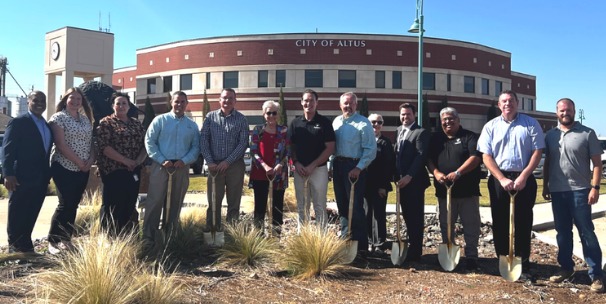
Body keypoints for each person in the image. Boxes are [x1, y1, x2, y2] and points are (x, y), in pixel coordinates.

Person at [477, 90, 544, 281]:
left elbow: (537, 152)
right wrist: (501, 178)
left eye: (511, 100)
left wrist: (523, 176)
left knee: (523, 221)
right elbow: (486, 156)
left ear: (517, 103)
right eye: (504, 101)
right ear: (499, 105)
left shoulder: (531, 124)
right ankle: (504, 259)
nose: (508, 104)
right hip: (499, 180)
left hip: (524, 178)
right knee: (500, 220)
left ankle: (523, 262)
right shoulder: (490, 126)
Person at [543, 98, 604, 292]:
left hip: (580, 191)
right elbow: (547, 163)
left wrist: (595, 187)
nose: (565, 113)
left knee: (586, 233)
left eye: (568, 110)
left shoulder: (587, 133)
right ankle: (566, 268)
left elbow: (597, 164)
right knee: (562, 233)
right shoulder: (550, 136)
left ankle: (596, 275)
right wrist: (545, 185)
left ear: (574, 111)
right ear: (556, 113)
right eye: (561, 110)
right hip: (558, 192)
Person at [427, 107, 482, 270]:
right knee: (446, 224)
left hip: (467, 192)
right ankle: (448, 251)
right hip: (444, 191)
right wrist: (436, 172)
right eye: (444, 119)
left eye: (451, 118)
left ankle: (472, 256)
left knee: (471, 225)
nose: (447, 122)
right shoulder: (436, 139)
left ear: (458, 120)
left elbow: (475, 158)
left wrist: (458, 173)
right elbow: (429, 159)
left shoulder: (470, 137)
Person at [144, 91, 200, 249]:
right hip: (161, 166)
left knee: (175, 202)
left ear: (186, 103)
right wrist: (162, 160)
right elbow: (150, 142)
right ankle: (149, 237)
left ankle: (170, 235)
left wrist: (185, 160)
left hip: (181, 168)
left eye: (183, 102)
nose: (179, 105)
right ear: (171, 102)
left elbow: (196, 147)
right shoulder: (160, 120)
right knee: (155, 201)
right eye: (176, 101)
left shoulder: (192, 125)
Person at [2, 91, 52, 253]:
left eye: (42, 101)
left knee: (32, 211)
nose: (40, 103)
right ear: (28, 102)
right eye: (35, 100)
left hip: (40, 178)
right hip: (19, 177)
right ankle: (15, 247)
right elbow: (7, 149)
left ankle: (26, 245)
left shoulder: (46, 125)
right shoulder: (18, 122)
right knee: (17, 212)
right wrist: (7, 173)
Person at [47, 87, 95, 254]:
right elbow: (60, 144)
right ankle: (53, 240)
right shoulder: (58, 118)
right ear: (65, 99)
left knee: (73, 204)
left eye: (78, 99)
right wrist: (79, 162)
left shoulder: (85, 120)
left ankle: (66, 238)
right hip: (64, 166)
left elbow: (91, 143)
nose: (75, 102)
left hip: (83, 168)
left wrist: (90, 161)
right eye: (72, 98)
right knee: (64, 203)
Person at [96, 92, 147, 236]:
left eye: (124, 103)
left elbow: (145, 144)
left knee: (129, 203)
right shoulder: (106, 123)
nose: (121, 106)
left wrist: (137, 161)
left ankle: (127, 236)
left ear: (129, 105)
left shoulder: (136, 123)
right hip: (113, 171)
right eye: (118, 103)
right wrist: (126, 161)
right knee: (112, 205)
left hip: (133, 171)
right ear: (113, 106)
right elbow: (104, 147)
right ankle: (109, 236)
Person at [332, 92, 376, 256]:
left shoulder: (363, 124)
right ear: (340, 105)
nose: (348, 106)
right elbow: (333, 147)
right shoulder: (336, 122)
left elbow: (371, 150)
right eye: (345, 103)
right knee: (342, 206)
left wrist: (358, 168)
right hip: (338, 166)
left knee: (355, 207)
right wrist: (331, 165)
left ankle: (361, 247)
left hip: (354, 167)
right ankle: (346, 242)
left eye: (351, 103)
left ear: (356, 105)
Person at [200, 88, 249, 228]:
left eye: (230, 98)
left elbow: (243, 143)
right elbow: (204, 140)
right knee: (214, 201)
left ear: (235, 101)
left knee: (234, 202)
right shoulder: (210, 117)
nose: (227, 101)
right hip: (214, 165)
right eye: (224, 98)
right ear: (219, 100)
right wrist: (209, 161)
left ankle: (231, 233)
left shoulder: (241, 119)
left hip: (234, 165)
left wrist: (228, 161)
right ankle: (212, 231)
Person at [288, 89, 335, 231]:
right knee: (302, 206)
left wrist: (313, 165)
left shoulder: (325, 123)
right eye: (306, 100)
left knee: (319, 205)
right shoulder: (295, 123)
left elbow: (330, 147)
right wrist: (296, 163)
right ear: (302, 102)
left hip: (319, 170)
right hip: (300, 171)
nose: (308, 103)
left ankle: (321, 239)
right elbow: (290, 146)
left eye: (312, 100)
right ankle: (302, 238)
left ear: (317, 103)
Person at [394, 102, 431, 263]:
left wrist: (409, 176)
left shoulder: (420, 132)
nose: (405, 117)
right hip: (401, 181)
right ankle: (409, 248)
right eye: (402, 114)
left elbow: (420, 156)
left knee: (415, 217)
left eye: (408, 114)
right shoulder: (399, 131)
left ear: (414, 115)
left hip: (414, 182)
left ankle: (416, 252)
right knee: (407, 216)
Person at [249, 100, 289, 236]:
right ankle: (258, 238)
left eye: (274, 113)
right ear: (264, 114)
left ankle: (275, 237)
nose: (271, 116)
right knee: (260, 208)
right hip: (260, 174)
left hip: (278, 175)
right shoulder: (257, 130)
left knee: (277, 208)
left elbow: (288, 151)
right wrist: (265, 166)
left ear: (278, 114)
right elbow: (254, 151)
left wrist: (280, 164)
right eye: (268, 113)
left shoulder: (284, 131)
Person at [364, 113, 395, 254]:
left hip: (379, 186)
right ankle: (369, 241)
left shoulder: (385, 142)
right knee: (366, 213)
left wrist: (383, 185)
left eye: (379, 122)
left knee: (379, 215)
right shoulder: (363, 140)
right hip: (364, 185)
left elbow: (388, 166)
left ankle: (379, 244)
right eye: (372, 122)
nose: (375, 125)